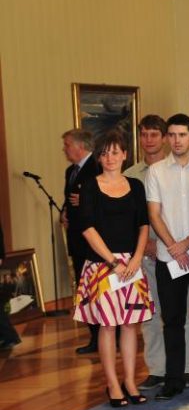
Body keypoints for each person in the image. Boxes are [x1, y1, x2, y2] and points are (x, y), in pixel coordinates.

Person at [73, 130, 153, 407]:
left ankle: (130, 381)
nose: (110, 158)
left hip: (131, 264)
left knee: (130, 324)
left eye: (115, 152)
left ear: (125, 155)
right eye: (104, 153)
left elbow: (144, 224)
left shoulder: (136, 186)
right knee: (107, 326)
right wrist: (112, 262)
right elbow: (87, 228)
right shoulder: (90, 186)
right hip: (102, 265)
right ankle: (112, 384)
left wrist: (136, 258)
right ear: (98, 157)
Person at [125, 115, 189, 392]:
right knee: (152, 313)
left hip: (180, 252)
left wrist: (173, 245)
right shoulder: (132, 174)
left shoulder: (188, 169)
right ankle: (157, 369)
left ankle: (186, 367)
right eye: (144, 134)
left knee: (182, 312)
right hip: (146, 251)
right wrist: (146, 245)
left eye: (154, 134)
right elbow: (133, 217)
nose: (149, 140)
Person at [146, 114, 189, 400]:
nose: (176, 140)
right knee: (172, 320)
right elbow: (154, 214)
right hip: (169, 258)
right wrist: (174, 246)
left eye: (182, 135)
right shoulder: (156, 171)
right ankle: (173, 380)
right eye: (172, 135)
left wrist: (187, 243)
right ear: (167, 138)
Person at [62, 128, 99, 354]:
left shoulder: (97, 166)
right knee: (85, 292)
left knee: (97, 291)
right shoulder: (71, 171)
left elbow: (103, 198)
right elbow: (68, 198)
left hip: (93, 243)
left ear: (80, 146)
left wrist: (84, 200)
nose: (64, 149)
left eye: (67, 144)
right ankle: (94, 336)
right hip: (76, 240)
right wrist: (64, 211)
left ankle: (106, 335)